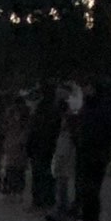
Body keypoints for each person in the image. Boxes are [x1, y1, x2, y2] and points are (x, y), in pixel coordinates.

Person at [73, 78, 111, 221]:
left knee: (91, 188)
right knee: (86, 187)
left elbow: (107, 129)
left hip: (96, 151)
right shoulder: (89, 106)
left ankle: (91, 220)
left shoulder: (103, 107)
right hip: (87, 149)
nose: (85, 90)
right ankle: (88, 218)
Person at [25, 82, 63, 211]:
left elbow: (34, 129)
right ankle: (46, 201)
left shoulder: (43, 109)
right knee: (46, 175)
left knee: (41, 175)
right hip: (47, 146)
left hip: (41, 146)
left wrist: (30, 145)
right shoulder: (52, 108)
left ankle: (41, 202)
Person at [46, 104, 79, 221]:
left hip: (64, 168)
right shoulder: (68, 136)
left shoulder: (67, 136)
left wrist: (57, 165)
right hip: (65, 168)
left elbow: (62, 153)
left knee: (62, 191)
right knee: (62, 190)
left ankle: (62, 212)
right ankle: (63, 210)